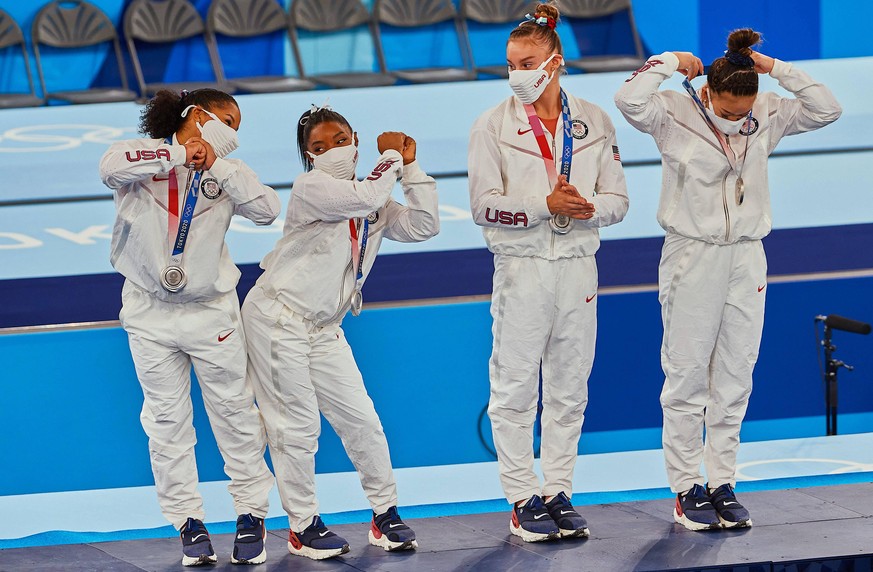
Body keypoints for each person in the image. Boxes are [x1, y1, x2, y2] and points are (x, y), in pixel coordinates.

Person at [615, 29, 841, 531]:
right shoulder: (673, 113)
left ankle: (722, 481)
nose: (738, 119)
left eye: (745, 110)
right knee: (688, 375)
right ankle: (685, 487)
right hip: (693, 255)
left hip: (748, 257)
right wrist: (673, 60)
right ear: (709, 93)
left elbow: (827, 108)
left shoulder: (767, 113)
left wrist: (774, 67)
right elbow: (627, 97)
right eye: (728, 110)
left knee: (736, 374)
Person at [241, 104, 439, 560]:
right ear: (308, 157)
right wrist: (391, 157)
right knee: (297, 427)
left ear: (355, 139)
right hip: (278, 318)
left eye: (339, 140)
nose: (332, 150)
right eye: (318, 146)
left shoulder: (376, 198)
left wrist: (412, 167)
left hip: (324, 328)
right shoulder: (312, 187)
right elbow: (366, 199)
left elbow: (425, 225)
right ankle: (303, 525)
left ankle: (385, 514)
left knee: (362, 421)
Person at [468, 2, 629, 543]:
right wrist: (545, 204)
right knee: (514, 388)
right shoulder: (491, 126)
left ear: (555, 62)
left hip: (579, 267)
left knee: (569, 388)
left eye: (527, 62)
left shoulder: (595, 122)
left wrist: (587, 209)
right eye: (511, 63)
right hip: (523, 266)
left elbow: (619, 201)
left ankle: (558, 490)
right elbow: (483, 206)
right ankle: (520, 498)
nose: (517, 74)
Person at [99, 88, 280, 566]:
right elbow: (109, 167)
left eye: (237, 126)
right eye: (225, 119)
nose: (232, 131)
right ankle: (188, 521)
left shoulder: (228, 172)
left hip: (211, 312)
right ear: (195, 115)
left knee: (235, 415)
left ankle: (251, 514)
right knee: (166, 421)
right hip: (148, 313)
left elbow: (266, 210)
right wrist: (180, 153)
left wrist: (215, 165)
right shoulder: (142, 160)